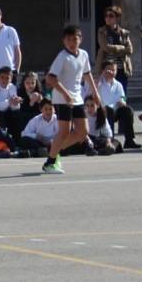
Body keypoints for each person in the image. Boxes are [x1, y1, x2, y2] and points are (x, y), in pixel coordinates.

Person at [43, 24, 101, 175]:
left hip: (77, 98)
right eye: (68, 39)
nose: (71, 42)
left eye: (75, 39)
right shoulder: (62, 56)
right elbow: (50, 78)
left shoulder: (84, 55)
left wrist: (95, 92)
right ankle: (50, 163)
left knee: (83, 131)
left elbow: (87, 74)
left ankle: (54, 149)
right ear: (64, 41)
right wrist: (65, 93)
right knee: (64, 131)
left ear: (80, 39)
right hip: (62, 99)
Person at [94, 60, 138, 149]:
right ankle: (110, 140)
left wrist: (123, 101)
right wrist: (101, 75)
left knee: (128, 110)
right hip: (101, 111)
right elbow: (92, 89)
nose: (111, 72)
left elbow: (123, 96)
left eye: (114, 70)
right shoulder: (99, 82)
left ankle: (129, 140)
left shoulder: (118, 84)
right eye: (109, 69)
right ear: (103, 70)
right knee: (109, 110)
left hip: (115, 111)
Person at [95, 5, 134, 89]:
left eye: (111, 16)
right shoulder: (102, 31)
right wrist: (121, 47)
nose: (107, 18)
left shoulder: (123, 33)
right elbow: (105, 47)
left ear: (117, 18)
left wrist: (113, 49)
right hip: (107, 69)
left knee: (122, 93)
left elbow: (130, 49)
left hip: (121, 68)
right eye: (106, 16)